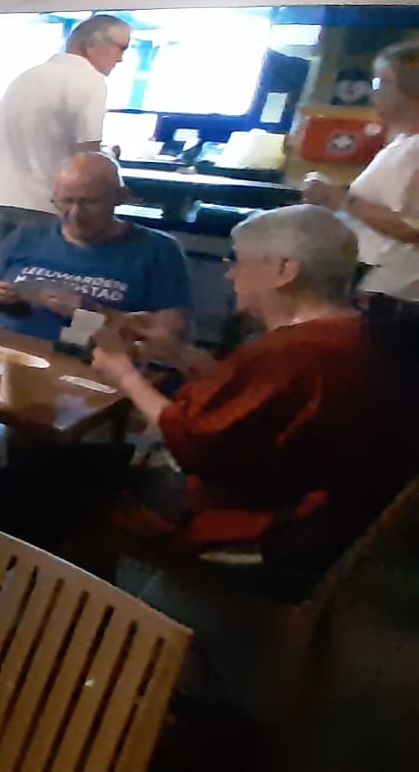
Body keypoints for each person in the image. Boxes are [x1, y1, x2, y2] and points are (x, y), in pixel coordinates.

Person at [92, 206, 419, 598]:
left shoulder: (293, 352)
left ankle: (119, 609)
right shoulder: (362, 332)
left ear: (284, 270)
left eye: (239, 261)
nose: (230, 275)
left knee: (77, 483)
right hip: (335, 523)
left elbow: (194, 442)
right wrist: (183, 355)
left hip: (270, 533)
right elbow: (261, 404)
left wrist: (124, 375)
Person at [0, 152, 192, 343]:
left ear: (120, 197)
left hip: (86, 364)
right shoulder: (27, 236)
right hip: (1, 351)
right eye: (67, 201)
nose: (76, 214)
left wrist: (94, 314)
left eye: (90, 202)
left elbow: (170, 337)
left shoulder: (158, 250)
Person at [0, 14, 131, 265]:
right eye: (121, 48)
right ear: (92, 45)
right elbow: (87, 156)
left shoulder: (26, 77)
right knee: (39, 282)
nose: (121, 58)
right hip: (46, 203)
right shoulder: (90, 80)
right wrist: (109, 155)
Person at [304, 38, 419, 300]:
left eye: (380, 82)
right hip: (369, 279)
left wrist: (341, 199)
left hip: (391, 290)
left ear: (412, 89)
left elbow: (413, 227)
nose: (372, 92)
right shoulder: (402, 142)